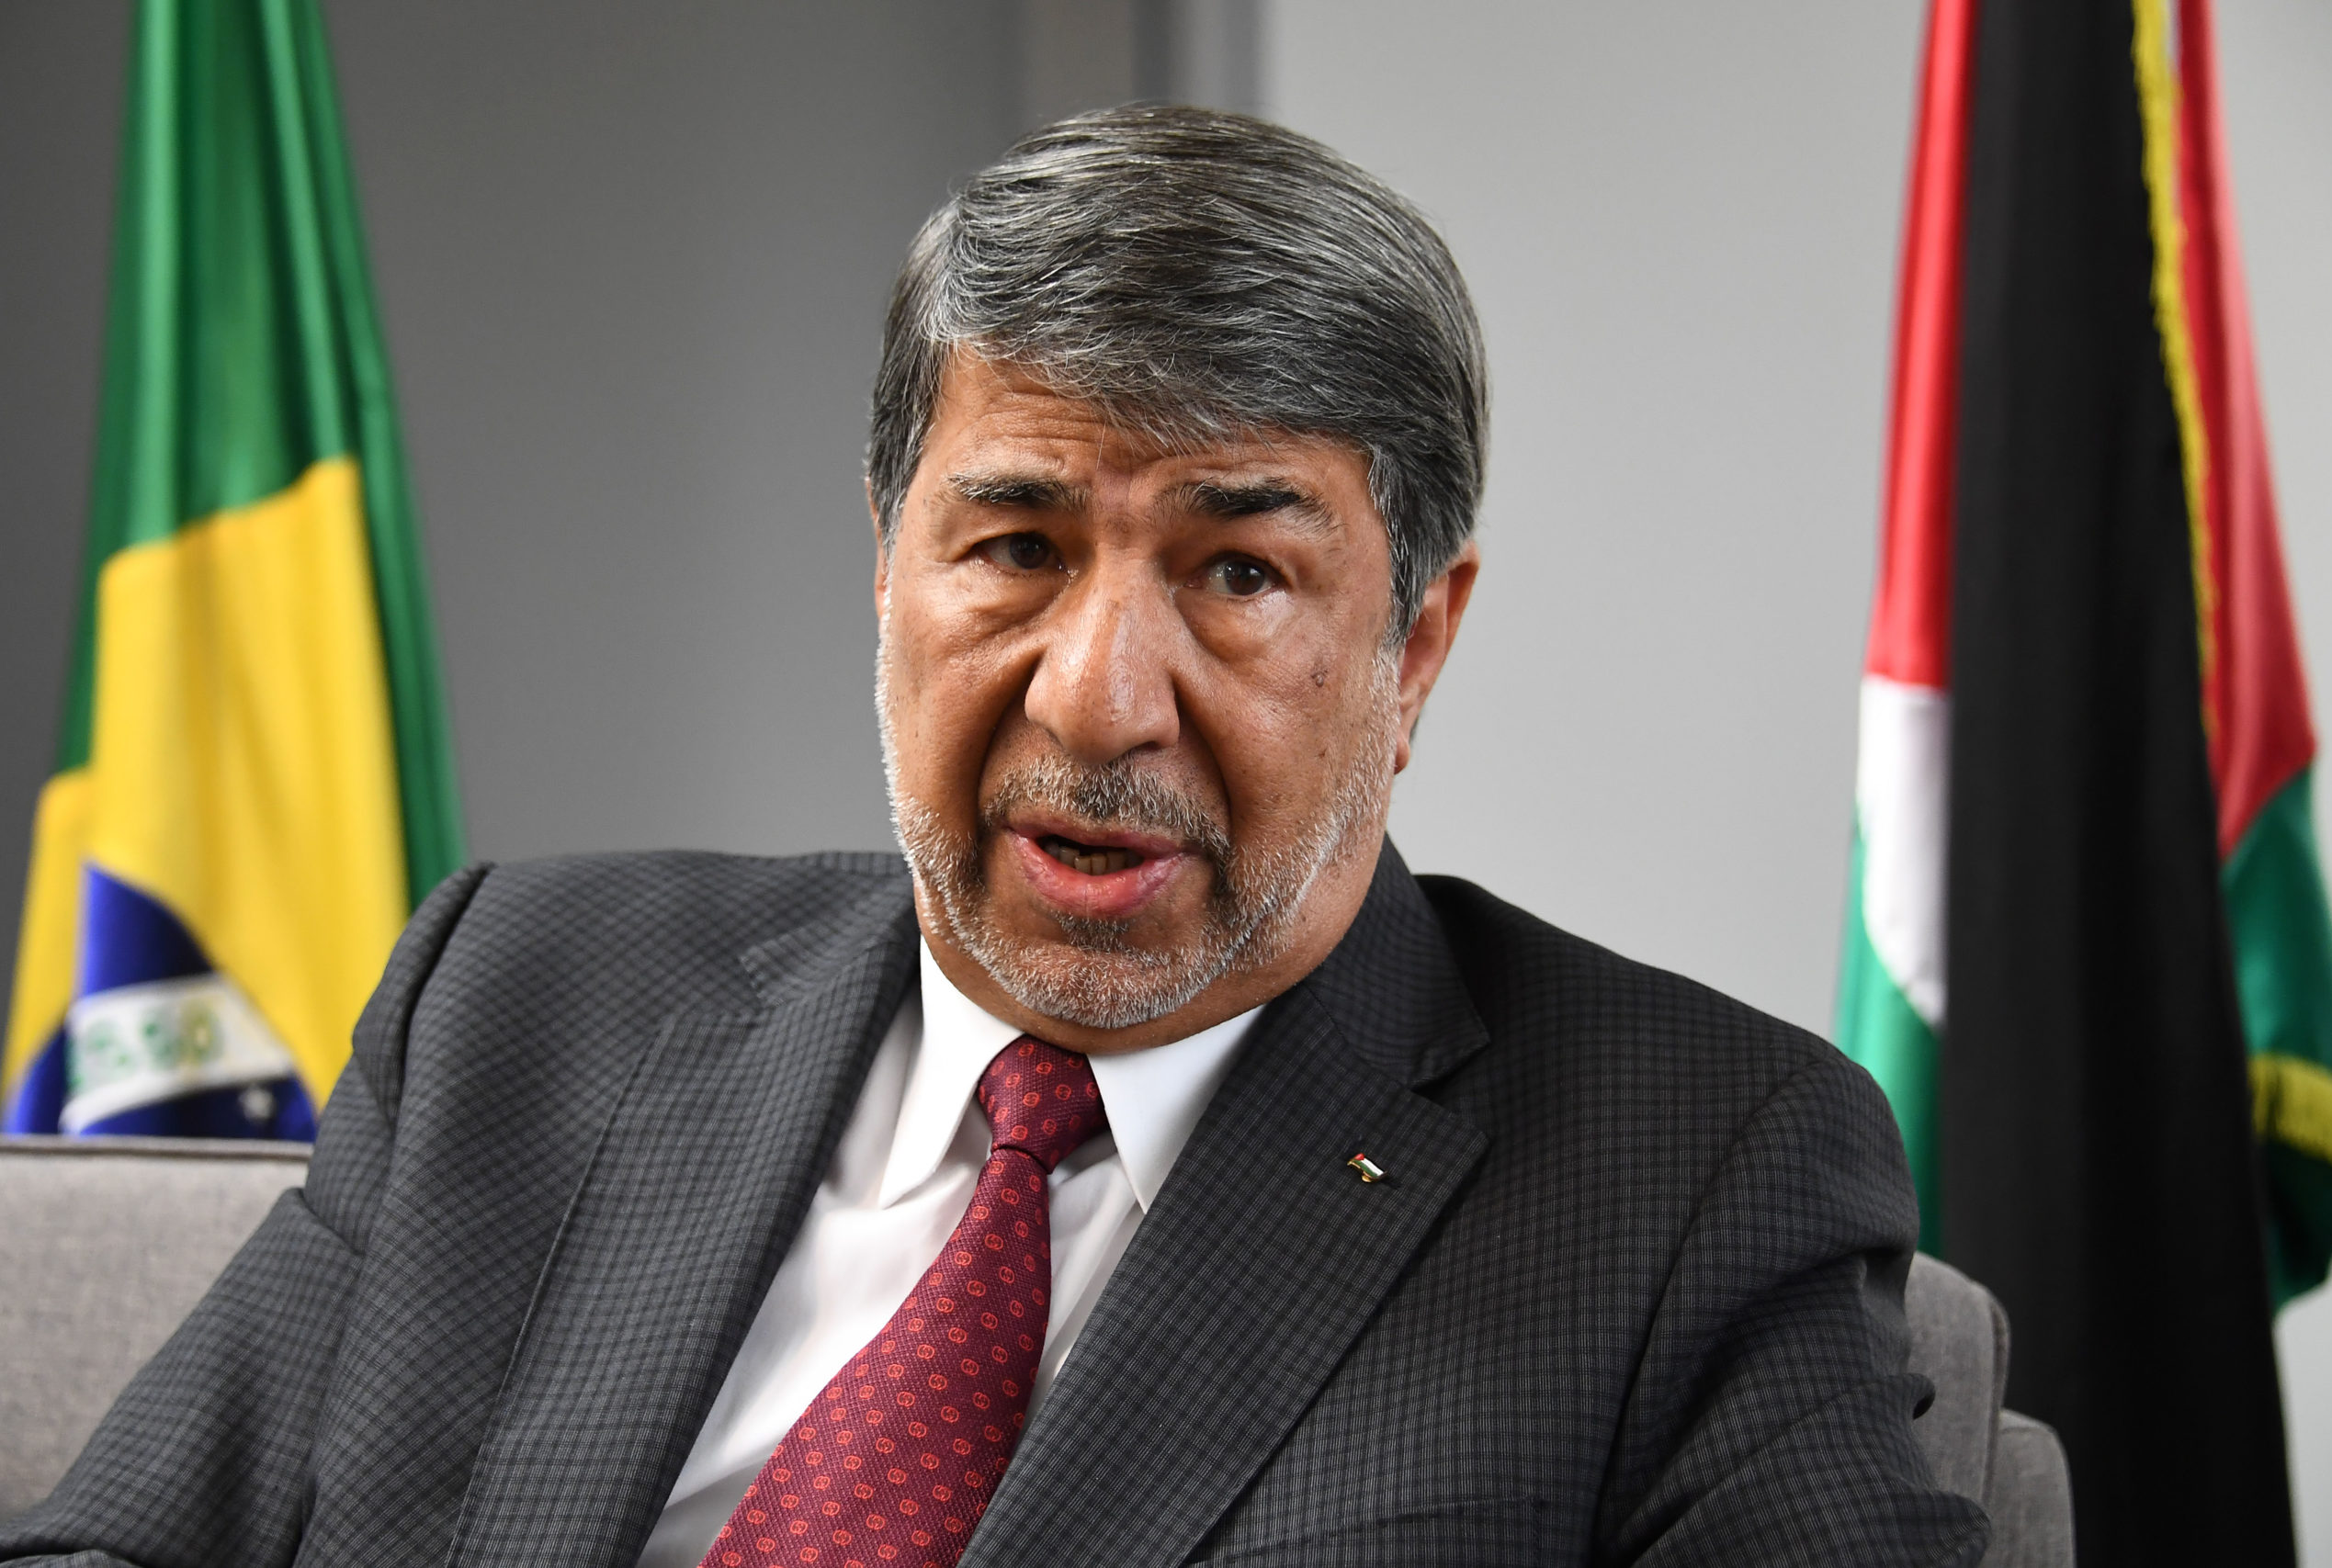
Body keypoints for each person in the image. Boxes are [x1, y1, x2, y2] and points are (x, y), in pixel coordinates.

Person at [1, 107, 1986, 1567]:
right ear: (886, 565)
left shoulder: (1687, 1173)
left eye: (1236, 572)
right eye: (1016, 545)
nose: (1096, 700)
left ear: (1415, 643)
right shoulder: (523, 999)